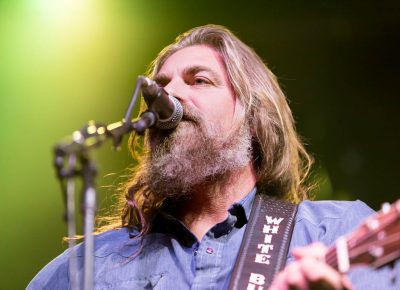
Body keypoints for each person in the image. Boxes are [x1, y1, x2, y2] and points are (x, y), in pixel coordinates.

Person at [28, 24, 399, 290]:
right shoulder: (88, 266)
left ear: (254, 120)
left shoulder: (334, 232)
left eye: (198, 80)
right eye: (160, 85)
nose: (168, 94)